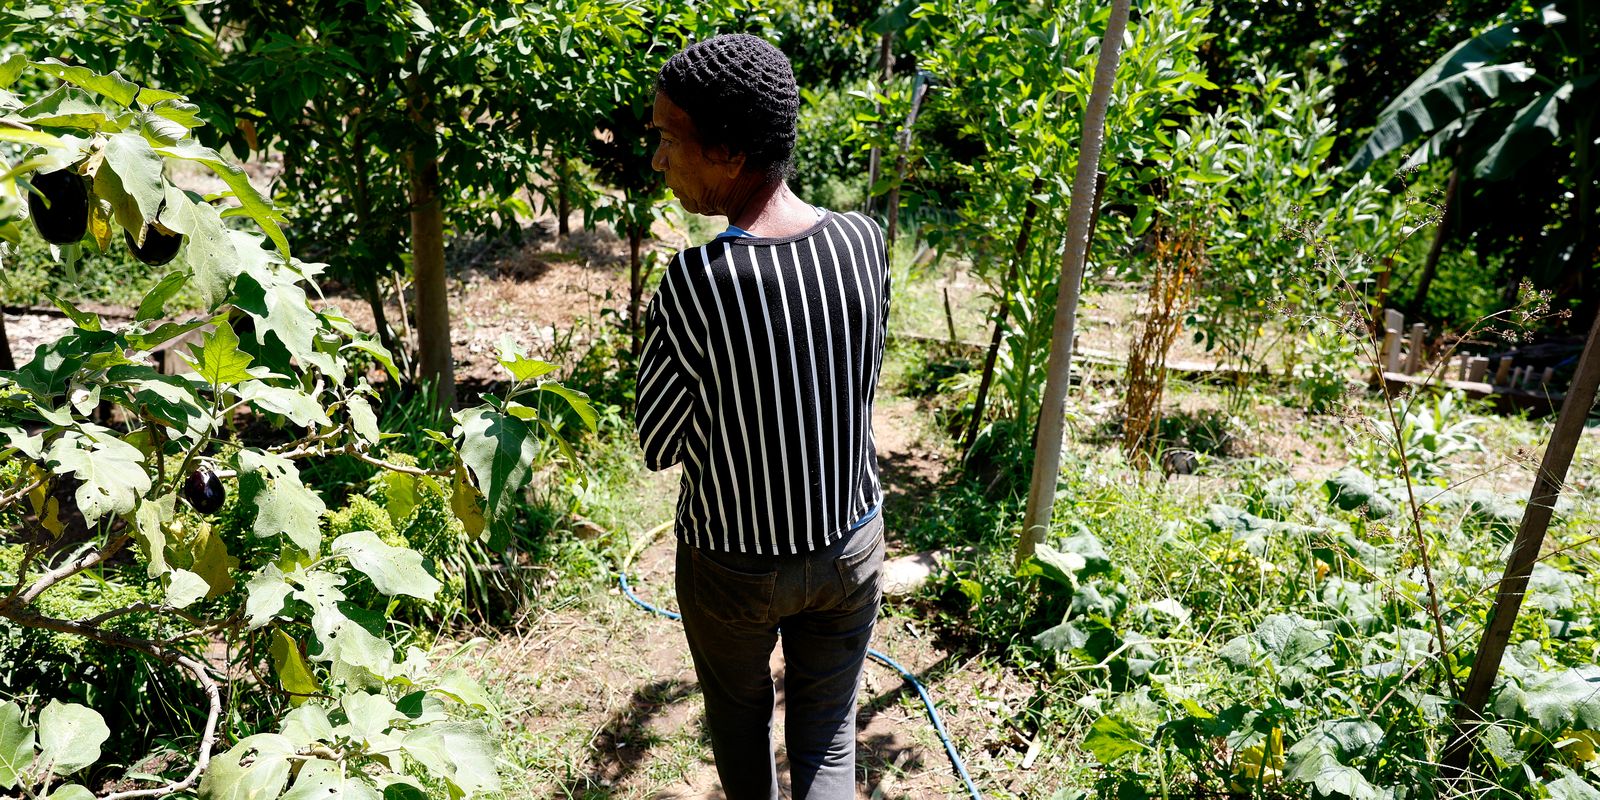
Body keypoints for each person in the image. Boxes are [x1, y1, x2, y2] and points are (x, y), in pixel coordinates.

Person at [633, 33, 891, 800]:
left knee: (742, 730)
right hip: (849, 545)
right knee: (826, 741)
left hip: (732, 568)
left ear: (729, 153)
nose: (658, 159)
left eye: (667, 139)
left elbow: (658, 442)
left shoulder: (697, 281)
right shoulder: (862, 242)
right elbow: (857, 379)